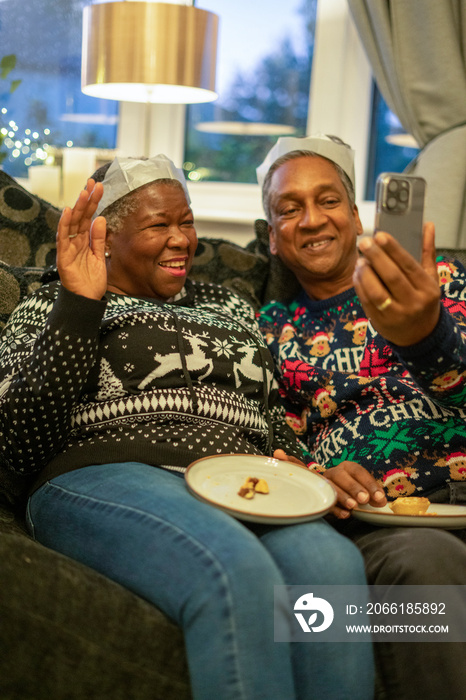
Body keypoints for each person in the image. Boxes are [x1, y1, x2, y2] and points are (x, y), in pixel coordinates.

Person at [0, 155, 374, 700]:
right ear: (106, 236)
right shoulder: (51, 302)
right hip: (108, 470)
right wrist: (81, 303)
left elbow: (269, 415)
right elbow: (16, 441)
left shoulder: (229, 305)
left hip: (243, 477)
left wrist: (310, 470)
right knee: (235, 569)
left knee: (331, 566)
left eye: (187, 221)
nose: (182, 240)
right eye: (159, 225)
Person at [256, 135, 466, 700]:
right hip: (376, 528)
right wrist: (316, 478)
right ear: (272, 239)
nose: (311, 219)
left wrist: (426, 335)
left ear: (356, 215)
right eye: (288, 208)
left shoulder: (442, 281)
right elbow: (273, 447)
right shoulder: (271, 330)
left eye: (327, 200)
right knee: (424, 569)